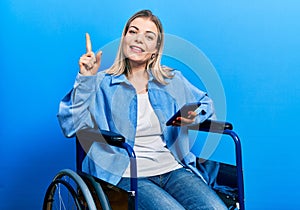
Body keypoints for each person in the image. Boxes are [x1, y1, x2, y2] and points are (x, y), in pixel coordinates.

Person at [58, 9, 227, 210]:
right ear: (124, 38)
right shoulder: (102, 82)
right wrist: (86, 79)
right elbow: (70, 126)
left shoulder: (171, 80)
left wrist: (194, 116)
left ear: (156, 49)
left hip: (171, 168)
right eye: (133, 32)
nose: (139, 40)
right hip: (124, 173)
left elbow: (205, 104)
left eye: (149, 36)